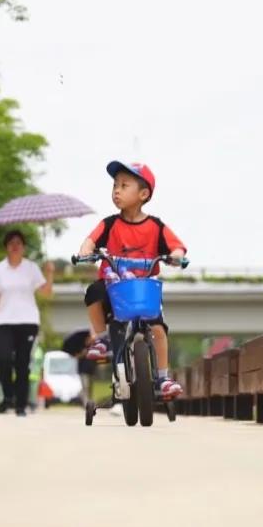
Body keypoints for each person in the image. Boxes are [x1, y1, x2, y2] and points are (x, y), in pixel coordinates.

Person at [77, 161, 187, 398]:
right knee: (93, 292)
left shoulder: (156, 227)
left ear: (143, 194)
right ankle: (102, 339)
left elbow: (177, 247)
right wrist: (86, 250)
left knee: (157, 327)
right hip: (114, 287)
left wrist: (176, 257)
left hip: (143, 289)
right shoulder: (109, 224)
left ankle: (163, 377)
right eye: (115, 185)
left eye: (124, 185)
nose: (116, 190)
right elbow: (90, 241)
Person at [0, 230, 54, 416]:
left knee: (23, 363)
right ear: (6, 247)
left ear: (23, 247)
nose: (15, 246)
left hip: (28, 321)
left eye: (18, 243)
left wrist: (49, 273)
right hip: (4, 322)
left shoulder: (31, 268)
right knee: (4, 360)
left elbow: (45, 292)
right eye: (11, 243)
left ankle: (21, 404)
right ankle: (8, 398)